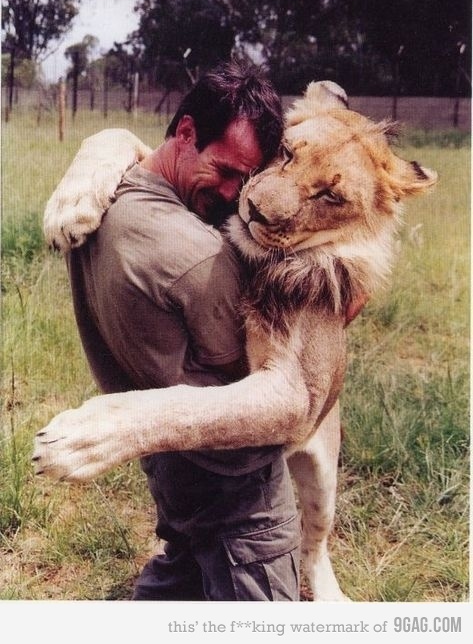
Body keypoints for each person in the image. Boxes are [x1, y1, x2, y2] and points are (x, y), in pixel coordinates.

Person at [66, 60, 302, 601]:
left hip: (170, 466)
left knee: (186, 567)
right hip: (235, 490)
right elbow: (257, 376)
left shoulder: (101, 198)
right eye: (225, 170)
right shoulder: (196, 256)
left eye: (247, 179)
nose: (235, 194)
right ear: (187, 132)